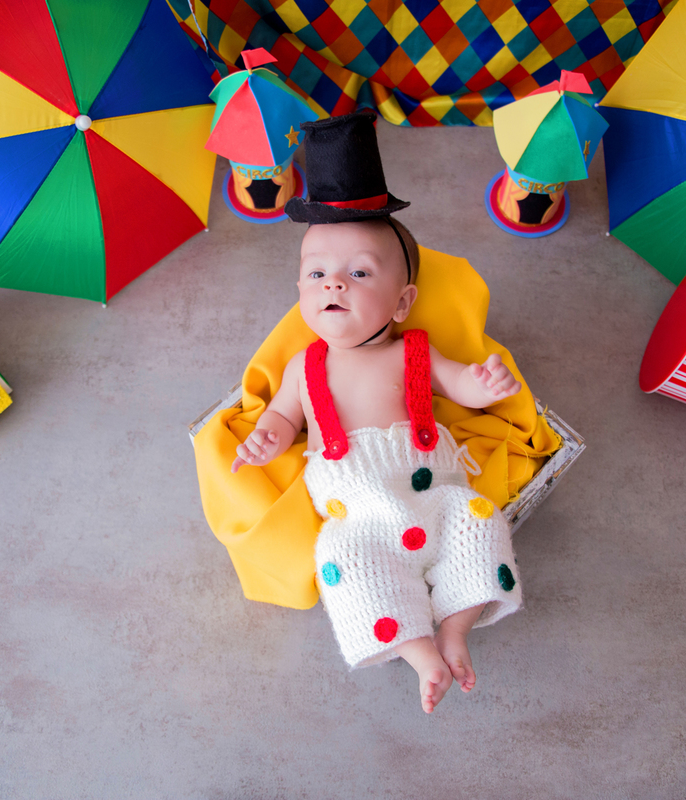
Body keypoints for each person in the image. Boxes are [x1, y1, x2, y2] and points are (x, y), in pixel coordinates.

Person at [231, 112, 524, 714]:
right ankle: (420, 653)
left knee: (480, 522)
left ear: (402, 301)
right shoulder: (305, 368)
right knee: (348, 565)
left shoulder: (414, 351)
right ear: (301, 290)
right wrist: (266, 437)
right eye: (316, 274)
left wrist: (482, 382)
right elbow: (285, 419)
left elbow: (458, 387)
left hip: (435, 490)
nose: (332, 284)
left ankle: (456, 629)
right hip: (355, 508)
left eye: (358, 272)